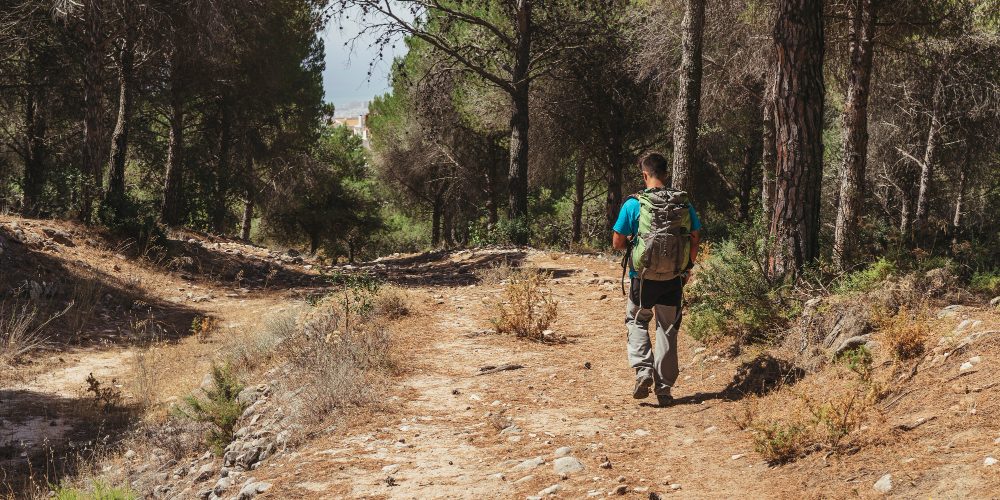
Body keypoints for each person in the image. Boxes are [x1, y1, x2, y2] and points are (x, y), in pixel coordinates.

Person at [612, 152, 702, 407]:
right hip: (673, 278)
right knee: (668, 329)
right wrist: (687, 269)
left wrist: (634, 241)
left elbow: (617, 242)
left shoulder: (634, 204)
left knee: (637, 320)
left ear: (644, 174)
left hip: (643, 277)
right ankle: (664, 389)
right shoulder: (683, 204)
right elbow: (694, 238)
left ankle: (643, 372)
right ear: (665, 174)